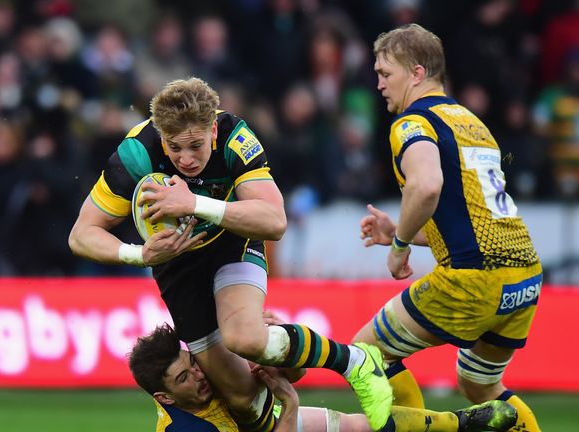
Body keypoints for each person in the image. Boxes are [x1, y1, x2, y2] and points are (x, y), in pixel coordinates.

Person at [68, 77, 391, 431]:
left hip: (230, 241)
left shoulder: (236, 138)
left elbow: (275, 220)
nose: (186, 159)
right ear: (161, 136)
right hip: (173, 265)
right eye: (175, 148)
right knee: (242, 398)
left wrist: (195, 203)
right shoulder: (137, 153)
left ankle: (354, 361)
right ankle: (365, 423)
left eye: (195, 146)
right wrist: (139, 255)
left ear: (212, 132)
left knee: (245, 339)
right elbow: (82, 235)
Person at [355, 24, 543, 432]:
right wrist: (397, 229)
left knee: (365, 354)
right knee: (479, 384)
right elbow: (468, 215)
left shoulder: (412, 122)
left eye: (386, 73)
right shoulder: (470, 122)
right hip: (524, 277)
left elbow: (426, 186)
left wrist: (400, 246)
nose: (379, 83)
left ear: (417, 73)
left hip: (474, 279)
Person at [127, 321, 518, 432]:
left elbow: (293, 373)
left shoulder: (215, 360)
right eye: (183, 378)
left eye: (191, 363)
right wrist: (290, 404)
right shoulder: (186, 430)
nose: (198, 375)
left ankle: (461, 423)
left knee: (361, 427)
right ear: (165, 398)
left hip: (266, 422)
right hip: (273, 423)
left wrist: (275, 348)